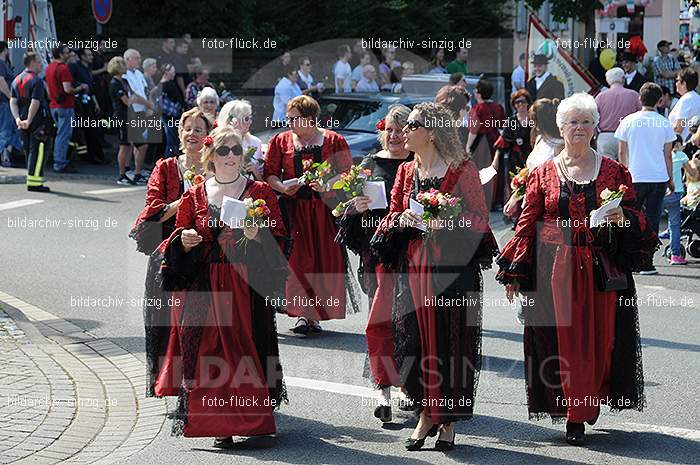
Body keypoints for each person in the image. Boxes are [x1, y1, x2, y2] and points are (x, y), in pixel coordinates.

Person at [496, 92, 655, 447]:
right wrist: (515, 270)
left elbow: (639, 220)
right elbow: (527, 223)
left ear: (596, 128)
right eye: (573, 122)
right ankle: (574, 414)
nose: (579, 128)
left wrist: (623, 218)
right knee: (562, 342)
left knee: (601, 341)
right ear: (561, 128)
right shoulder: (542, 173)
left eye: (586, 122)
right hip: (554, 269)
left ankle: (589, 398)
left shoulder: (615, 171)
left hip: (600, 269)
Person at [369, 102, 497, 451]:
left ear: (432, 130)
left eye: (412, 125)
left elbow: (480, 218)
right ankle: (428, 411)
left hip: (453, 268)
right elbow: (392, 214)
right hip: (414, 267)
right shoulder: (406, 172)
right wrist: (401, 221)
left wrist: (447, 222)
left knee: (450, 343)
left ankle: (444, 420)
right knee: (415, 340)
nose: (404, 131)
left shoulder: (462, 168)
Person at [159, 125, 288, 445]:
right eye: (223, 150)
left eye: (235, 150)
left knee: (244, 350)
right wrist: (186, 241)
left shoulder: (260, 192)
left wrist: (259, 237)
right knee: (207, 353)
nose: (230, 156)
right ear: (210, 155)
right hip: (204, 285)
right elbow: (178, 236)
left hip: (245, 285)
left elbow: (281, 240)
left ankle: (249, 419)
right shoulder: (194, 194)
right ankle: (219, 424)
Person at [334, 105, 413, 422]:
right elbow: (344, 212)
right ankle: (383, 390)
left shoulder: (419, 164)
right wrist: (355, 206)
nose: (394, 136)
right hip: (379, 254)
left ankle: (408, 386)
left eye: (400, 130)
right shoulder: (369, 164)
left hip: (412, 252)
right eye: (389, 130)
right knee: (380, 321)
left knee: (408, 323)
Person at [129, 108, 212, 396]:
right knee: (165, 322)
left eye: (199, 129)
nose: (193, 134)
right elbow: (153, 213)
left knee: (200, 324)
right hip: (169, 256)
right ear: (180, 133)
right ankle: (169, 382)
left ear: (208, 136)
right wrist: (185, 199)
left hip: (206, 258)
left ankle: (200, 384)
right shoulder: (165, 168)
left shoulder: (217, 168)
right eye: (187, 128)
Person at [264, 95, 356, 335]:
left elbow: (348, 173)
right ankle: (303, 315)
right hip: (293, 212)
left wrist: (329, 184)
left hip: (324, 212)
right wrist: (283, 188)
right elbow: (270, 174)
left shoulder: (334, 140)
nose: (289, 123)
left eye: (294, 118)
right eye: (288, 118)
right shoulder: (280, 141)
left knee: (322, 263)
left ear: (309, 119)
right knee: (297, 263)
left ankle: (314, 316)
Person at [615, 82, 676, 274]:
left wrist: (623, 175)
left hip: (635, 176)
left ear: (639, 99)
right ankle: (647, 262)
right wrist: (671, 178)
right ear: (659, 100)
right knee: (653, 219)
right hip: (658, 176)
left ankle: (630, 259)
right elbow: (668, 154)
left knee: (631, 218)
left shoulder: (628, 121)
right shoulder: (663, 122)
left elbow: (622, 152)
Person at [503, 98, 563, 220]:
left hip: (549, 206)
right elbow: (529, 172)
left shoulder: (560, 146)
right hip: (531, 202)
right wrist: (515, 197)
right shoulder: (539, 139)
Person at [10, 52, 50, 192]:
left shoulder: (17, 80)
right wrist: (29, 120)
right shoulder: (36, 80)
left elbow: (13, 101)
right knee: (39, 151)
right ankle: (35, 182)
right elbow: (35, 102)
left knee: (29, 151)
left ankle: (31, 179)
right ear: (32, 62)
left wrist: (18, 119)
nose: (41, 65)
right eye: (39, 62)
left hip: (22, 118)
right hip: (37, 120)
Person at [46, 44, 87, 173]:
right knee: (63, 135)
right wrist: (80, 88)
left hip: (54, 105)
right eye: (67, 52)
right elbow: (68, 89)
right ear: (61, 54)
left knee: (59, 134)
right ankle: (60, 163)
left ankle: (58, 160)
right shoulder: (63, 68)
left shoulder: (49, 67)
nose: (69, 54)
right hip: (65, 106)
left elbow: (48, 88)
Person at [466, 79, 506, 209]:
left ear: (479, 93)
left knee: (481, 172)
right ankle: (497, 201)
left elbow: (473, 130)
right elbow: (502, 126)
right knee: (495, 170)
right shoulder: (498, 107)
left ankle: (483, 201)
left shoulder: (477, 108)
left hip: (481, 144)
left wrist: (467, 147)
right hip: (495, 141)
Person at [494, 89, 534, 208]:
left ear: (528, 103)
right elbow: (502, 143)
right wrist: (495, 160)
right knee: (516, 186)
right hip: (515, 160)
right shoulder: (511, 121)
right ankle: (516, 217)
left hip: (532, 158)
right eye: (516, 103)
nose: (520, 105)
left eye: (522, 101)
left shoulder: (533, 120)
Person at [595, 67, 642, 160]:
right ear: (622, 79)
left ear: (608, 81)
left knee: (607, 170)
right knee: (628, 169)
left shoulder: (600, 97)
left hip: (606, 136)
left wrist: (596, 134)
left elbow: (593, 118)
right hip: (628, 136)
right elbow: (641, 115)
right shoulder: (633, 95)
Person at [70, 48, 107, 164]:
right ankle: (92, 156)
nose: (91, 57)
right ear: (82, 57)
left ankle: (95, 155)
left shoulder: (87, 69)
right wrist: (80, 86)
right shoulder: (75, 67)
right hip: (81, 103)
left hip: (89, 102)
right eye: (89, 55)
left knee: (92, 130)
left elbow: (90, 87)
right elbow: (71, 82)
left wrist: (95, 102)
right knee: (88, 130)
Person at [123, 49, 155, 184]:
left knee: (137, 144)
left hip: (142, 111)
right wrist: (148, 103)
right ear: (128, 59)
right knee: (137, 144)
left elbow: (145, 90)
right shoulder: (125, 75)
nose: (138, 60)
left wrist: (149, 105)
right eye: (136, 58)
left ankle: (136, 171)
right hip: (133, 111)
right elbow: (133, 95)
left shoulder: (139, 74)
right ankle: (131, 171)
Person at [218, 99, 264, 180]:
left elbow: (262, 180)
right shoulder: (218, 142)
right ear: (232, 120)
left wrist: (254, 170)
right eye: (246, 119)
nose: (250, 122)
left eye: (250, 118)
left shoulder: (255, 143)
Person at [663, 136, 690, 265]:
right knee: (675, 225)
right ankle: (675, 255)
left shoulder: (661, 154)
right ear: (678, 144)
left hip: (660, 192)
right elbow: (692, 173)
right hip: (675, 192)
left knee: (653, 221)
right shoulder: (680, 155)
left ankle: (647, 253)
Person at [0, 41, 21, 167]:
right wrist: (11, 98)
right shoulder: (1, 64)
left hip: (5, 103)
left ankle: (6, 153)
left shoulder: (4, 64)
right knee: (5, 130)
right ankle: (4, 157)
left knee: (13, 130)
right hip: (4, 102)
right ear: (5, 50)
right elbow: (1, 82)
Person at [158, 63, 186, 158]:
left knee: (172, 139)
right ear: (166, 72)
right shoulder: (168, 84)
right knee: (173, 140)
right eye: (172, 71)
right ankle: (169, 161)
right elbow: (178, 99)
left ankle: (170, 160)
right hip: (172, 116)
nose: (174, 74)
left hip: (167, 115)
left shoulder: (161, 84)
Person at [668, 67, 700, 140]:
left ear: (684, 83)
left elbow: (678, 128)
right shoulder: (697, 97)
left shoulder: (686, 99)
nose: (676, 84)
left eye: (677, 80)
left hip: (682, 144)